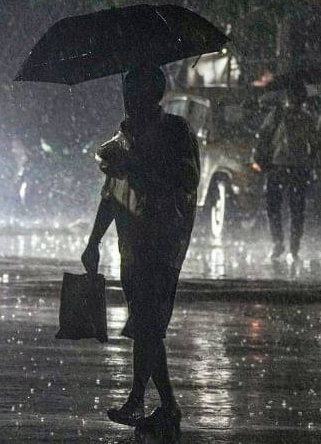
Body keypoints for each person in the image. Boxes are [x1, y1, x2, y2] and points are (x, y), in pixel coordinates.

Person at [82, 65, 199, 442]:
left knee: (147, 324)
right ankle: (166, 406)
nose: (129, 102)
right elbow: (110, 194)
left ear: (153, 96)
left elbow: (186, 180)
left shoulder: (175, 132)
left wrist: (141, 168)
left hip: (162, 243)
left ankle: (140, 400)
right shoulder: (124, 136)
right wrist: (94, 241)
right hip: (131, 245)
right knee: (146, 327)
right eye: (126, 95)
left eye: (134, 95)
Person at [253, 86, 321, 260]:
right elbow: (315, 145)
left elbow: (263, 135)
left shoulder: (279, 115)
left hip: (280, 167)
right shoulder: (304, 118)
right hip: (294, 168)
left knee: (277, 207)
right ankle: (291, 247)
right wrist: (310, 164)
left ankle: (281, 244)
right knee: (294, 209)